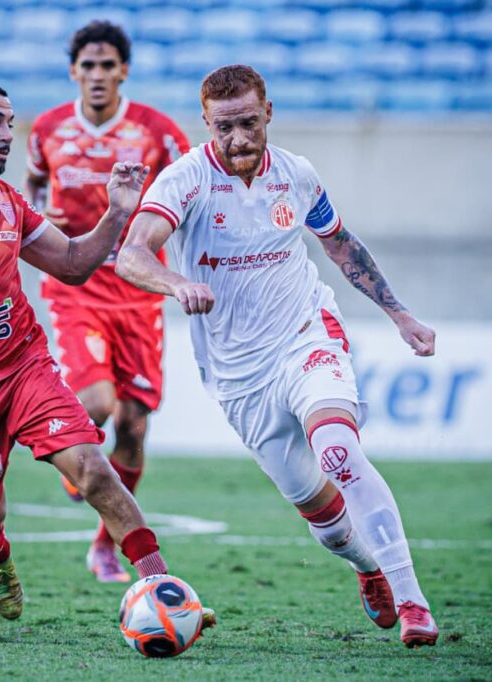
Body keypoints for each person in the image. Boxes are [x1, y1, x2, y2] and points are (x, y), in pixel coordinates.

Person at [116, 65, 438, 648]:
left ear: (268, 113)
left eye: (246, 123)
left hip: (305, 336)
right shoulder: (184, 181)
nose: (237, 139)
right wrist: (173, 282)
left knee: (338, 450)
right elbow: (132, 255)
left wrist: (400, 314)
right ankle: (368, 568)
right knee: (326, 520)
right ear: (206, 123)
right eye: (223, 128)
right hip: (239, 377)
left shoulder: (296, 173)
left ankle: (414, 602)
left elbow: (341, 245)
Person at [0, 79, 212, 627]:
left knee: (92, 468)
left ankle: (161, 586)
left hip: (22, 367)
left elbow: (72, 265)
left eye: (10, 123)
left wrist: (116, 214)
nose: (7, 135)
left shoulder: (9, 202)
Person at [24, 21, 190, 583]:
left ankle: (104, 545)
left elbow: (187, 193)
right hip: (78, 289)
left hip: (139, 293)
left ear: (123, 70)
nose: (97, 75)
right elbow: (35, 189)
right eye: (87, 65)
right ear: (74, 71)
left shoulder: (158, 132)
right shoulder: (46, 128)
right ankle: (80, 466)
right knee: (96, 403)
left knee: (135, 427)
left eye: (107, 65)